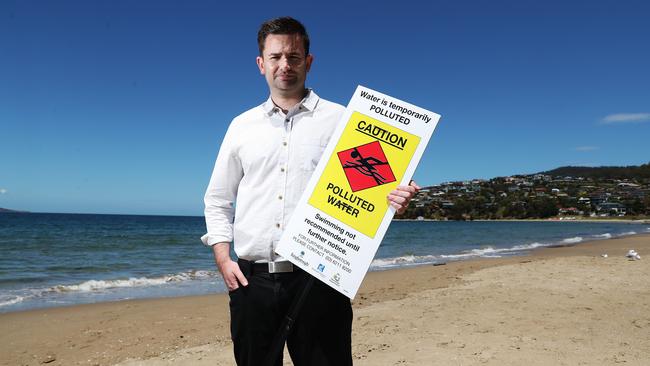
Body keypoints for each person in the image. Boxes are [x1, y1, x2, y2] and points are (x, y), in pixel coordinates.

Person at [201, 16, 419, 366]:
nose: (284, 65)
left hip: (320, 280)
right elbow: (218, 199)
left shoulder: (342, 121)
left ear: (309, 61)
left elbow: (370, 190)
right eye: (275, 57)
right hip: (251, 282)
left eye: (293, 56)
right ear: (261, 64)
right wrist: (223, 258)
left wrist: (393, 200)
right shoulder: (241, 126)